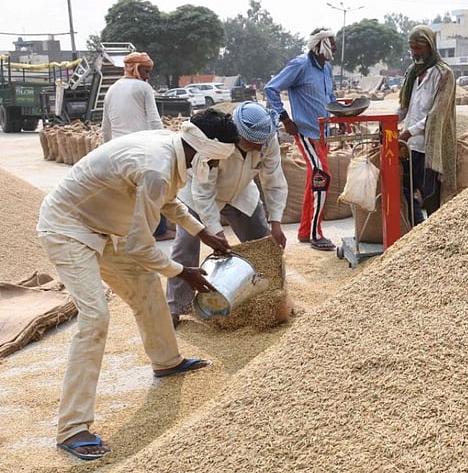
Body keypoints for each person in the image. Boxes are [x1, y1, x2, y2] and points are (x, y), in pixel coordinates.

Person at [37, 109, 236, 461]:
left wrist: (201, 231)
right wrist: (181, 271)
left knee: (144, 285)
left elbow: (168, 202)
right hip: (67, 227)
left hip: (102, 226)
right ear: (208, 153)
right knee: (95, 316)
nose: (217, 170)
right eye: (218, 162)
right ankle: (72, 428)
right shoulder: (157, 167)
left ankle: (166, 361)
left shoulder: (172, 148)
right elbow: (140, 247)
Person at [167, 102, 288, 327]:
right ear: (238, 134)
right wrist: (215, 232)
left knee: (262, 244)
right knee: (185, 244)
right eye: (252, 143)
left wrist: (276, 222)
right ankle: (175, 307)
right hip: (198, 194)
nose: (257, 147)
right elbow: (203, 192)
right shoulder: (219, 141)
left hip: (240, 193)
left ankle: (267, 301)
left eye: (261, 142)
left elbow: (274, 181)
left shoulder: (267, 140)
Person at [264, 28, 337, 251]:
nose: (335, 48)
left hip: (323, 132)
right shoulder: (300, 65)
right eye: (331, 43)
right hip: (306, 132)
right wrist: (285, 118)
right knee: (322, 177)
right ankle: (316, 234)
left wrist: (340, 114)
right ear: (319, 44)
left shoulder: (326, 68)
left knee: (315, 179)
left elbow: (330, 96)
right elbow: (271, 88)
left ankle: (306, 231)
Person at [101, 52, 173, 241]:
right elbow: (154, 120)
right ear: (134, 68)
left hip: (117, 152)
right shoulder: (143, 88)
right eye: (145, 71)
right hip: (142, 150)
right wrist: (167, 144)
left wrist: (106, 152)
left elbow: (105, 128)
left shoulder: (111, 90)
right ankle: (159, 231)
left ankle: (126, 232)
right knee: (157, 188)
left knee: (127, 195)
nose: (147, 76)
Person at [397, 25, 458, 225]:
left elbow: (437, 115)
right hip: (410, 147)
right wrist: (390, 121)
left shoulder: (444, 74)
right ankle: (419, 228)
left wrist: (408, 132)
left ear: (430, 46)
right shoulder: (412, 73)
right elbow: (405, 106)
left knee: (431, 195)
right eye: (412, 48)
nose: (415, 53)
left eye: (419, 48)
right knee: (405, 189)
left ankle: (435, 233)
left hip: (430, 147)